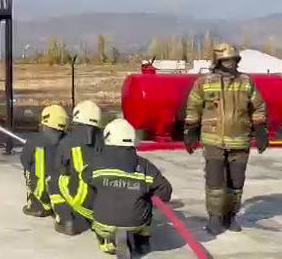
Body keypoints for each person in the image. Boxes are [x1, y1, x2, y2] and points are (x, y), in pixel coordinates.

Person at [184, 43, 268, 235]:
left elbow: (258, 107)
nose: (230, 63)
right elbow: (193, 107)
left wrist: (261, 130)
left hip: (240, 139)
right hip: (213, 139)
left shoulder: (246, 82)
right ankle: (215, 217)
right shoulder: (204, 82)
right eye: (225, 60)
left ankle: (230, 216)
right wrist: (190, 130)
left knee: (236, 182)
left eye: (233, 59)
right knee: (215, 182)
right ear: (218, 61)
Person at [83, 119, 172, 258]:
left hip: (103, 222)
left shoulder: (96, 163)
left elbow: (85, 177)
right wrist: (145, 195)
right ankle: (142, 241)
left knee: (94, 191)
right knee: (146, 200)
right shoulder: (145, 166)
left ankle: (106, 241)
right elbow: (165, 191)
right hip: (136, 223)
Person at [48, 100, 104, 235]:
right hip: (104, 204)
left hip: (80, 200)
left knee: (53, 180)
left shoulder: (66, 143)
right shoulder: (107, 141)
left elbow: (59, 169)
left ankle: (66, 219)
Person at [21, 105, 69, 217]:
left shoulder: (34, 141)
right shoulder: (70, 142)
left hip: (43, 195)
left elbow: (24, 161)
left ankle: (37, 205)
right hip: (64, 196)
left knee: (28, 170)